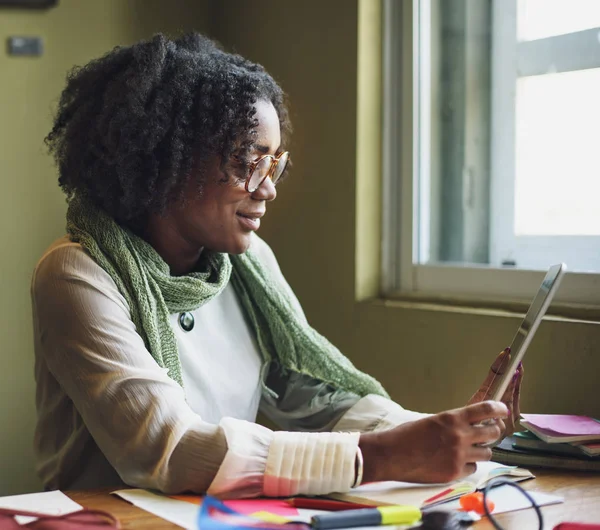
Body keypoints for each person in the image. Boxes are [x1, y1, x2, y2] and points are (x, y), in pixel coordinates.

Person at [31, 33, 523, 497]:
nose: (268, 189)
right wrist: (378, 456)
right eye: (249, 163)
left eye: (275, 164)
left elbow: (300, 395)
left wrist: (440, 432)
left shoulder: (247, 265)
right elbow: (168, 448)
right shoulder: (76, 275)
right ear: (167, 163)